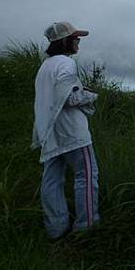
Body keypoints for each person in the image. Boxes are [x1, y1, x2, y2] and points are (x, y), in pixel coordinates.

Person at [32, 21, 100, 239]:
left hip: (50, 132)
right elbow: (70, 97)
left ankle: (56, 228)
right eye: (75, 38)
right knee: (87, 176)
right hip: (73, 133)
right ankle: (86, 227)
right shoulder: (66, 64)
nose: (78, 42)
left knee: (52, 179)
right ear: (65, 41)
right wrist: (91, 95)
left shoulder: (45, 66)